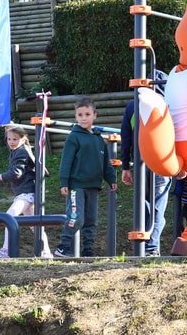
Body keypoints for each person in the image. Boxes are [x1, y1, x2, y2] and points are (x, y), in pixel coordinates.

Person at [55, 97, 118, 258]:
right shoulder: (74, 137)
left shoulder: (98, 139)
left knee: (91, 220)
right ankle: (63, 246)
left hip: (93, 186)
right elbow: (66, 161)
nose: (84, 118)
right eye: (80, 115)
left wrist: (111, 179)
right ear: (76, 117)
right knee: (76, 217)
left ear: (94, 116)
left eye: (87, 114)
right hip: (76, 186)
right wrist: (64, 182)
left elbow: (105, 163)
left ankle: (88, 249)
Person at [0, 125, 53, 258]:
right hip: (25, 193)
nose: (11, 142)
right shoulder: (20, 149)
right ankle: (46, 253)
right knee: (35, 225)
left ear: (23, 140)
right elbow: (12, 142)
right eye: (9, 139)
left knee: (8, 217)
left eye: (15, 139)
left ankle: (6, 251)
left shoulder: (21, 152)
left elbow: (16, 173)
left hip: (26, 194)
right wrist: (9, 127)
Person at [121, 95, 171, 257]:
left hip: (141, 163)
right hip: (162, 161)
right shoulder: (166, 103)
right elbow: (175, 133)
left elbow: (126, 137)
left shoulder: (133, 105)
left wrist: (125, 166)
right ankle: (151, 247)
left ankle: (145, 246)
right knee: (157, 206)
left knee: (145, 206)